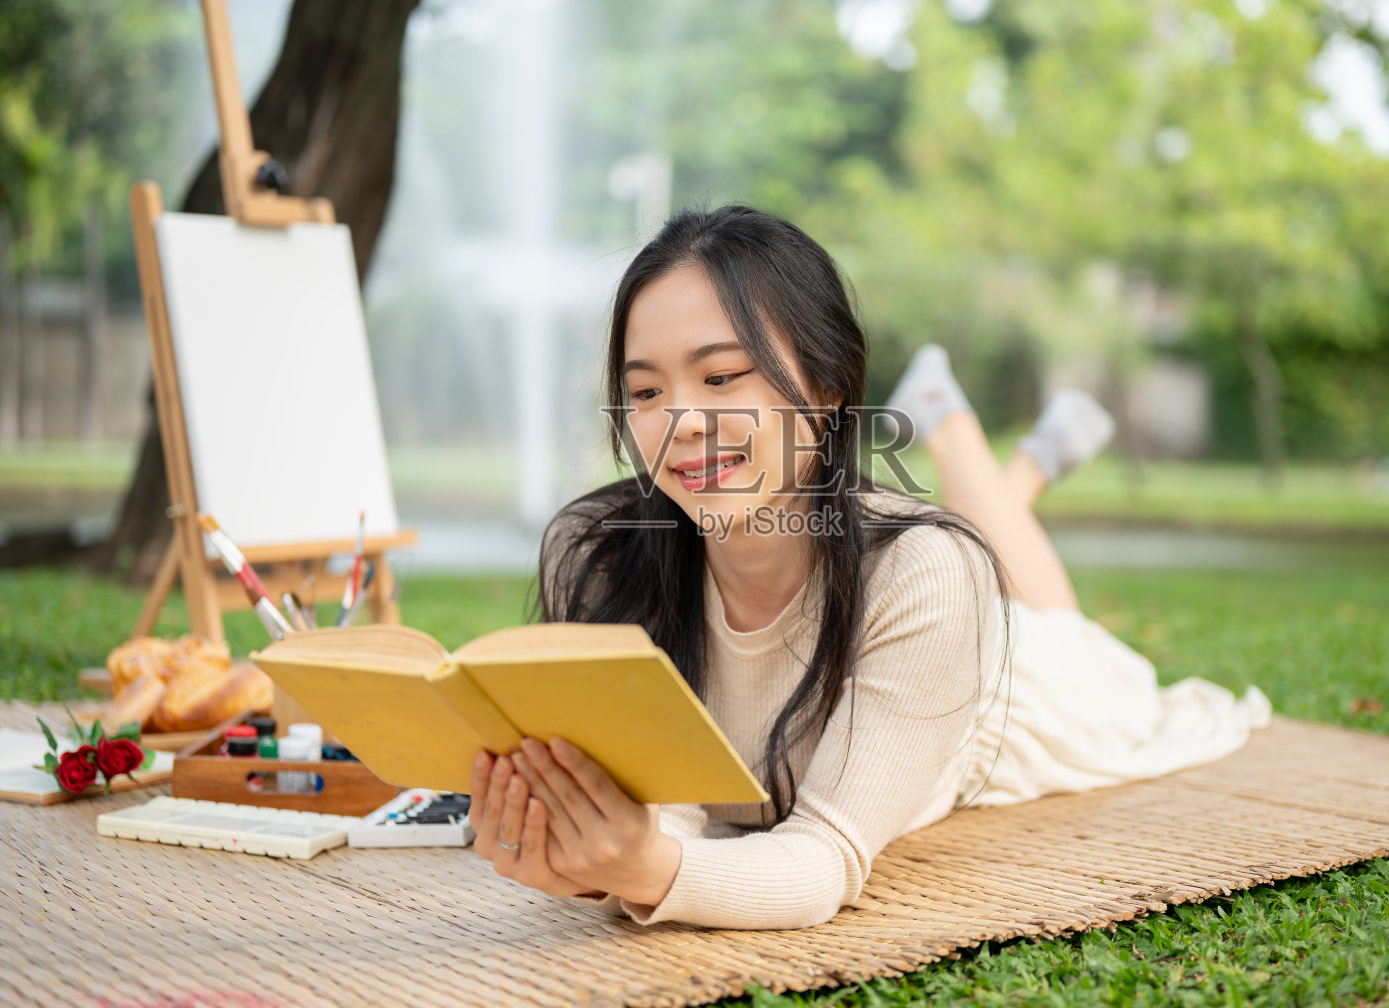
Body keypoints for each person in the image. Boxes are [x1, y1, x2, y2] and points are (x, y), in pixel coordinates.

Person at [466, 205, 1270, 930]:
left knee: (1053, 622)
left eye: (720, 377)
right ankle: (1015, 464)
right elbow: (661, 814)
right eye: (644, 391)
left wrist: (644, 866)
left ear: (824, 390)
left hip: (1021, 694)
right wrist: (596, 845)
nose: (679, 424)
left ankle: (956, 434)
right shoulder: (600, 555)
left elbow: (820, 861)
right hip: (931, 584)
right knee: (960, 549)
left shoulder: (926, 574)